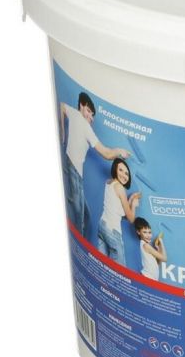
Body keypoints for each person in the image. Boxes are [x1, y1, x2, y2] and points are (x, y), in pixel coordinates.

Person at [60, 92, 131, 236]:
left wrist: (62, 130)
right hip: (74, 172)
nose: (90, 117)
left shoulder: (73, 114)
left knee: (86, 216)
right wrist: (120, 151)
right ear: (81, 105)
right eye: (88, 111)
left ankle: (71, 201)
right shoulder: (85, 125)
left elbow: (61, 106)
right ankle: (78, 242)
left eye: (92, 115)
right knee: (79, 217)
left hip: (73, 169)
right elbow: (106, 153)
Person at [97, 158, 141, 265]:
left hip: (102, 225)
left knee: (102, 265)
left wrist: (131, 199)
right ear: (115, 169)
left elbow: (120, 212)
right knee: (119, 269)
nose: (124, 175)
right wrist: (134, 205)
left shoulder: (109, 182)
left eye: (126, 173)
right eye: (120, 170)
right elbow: (131, 219)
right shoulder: (120, 188)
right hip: (113, 231)